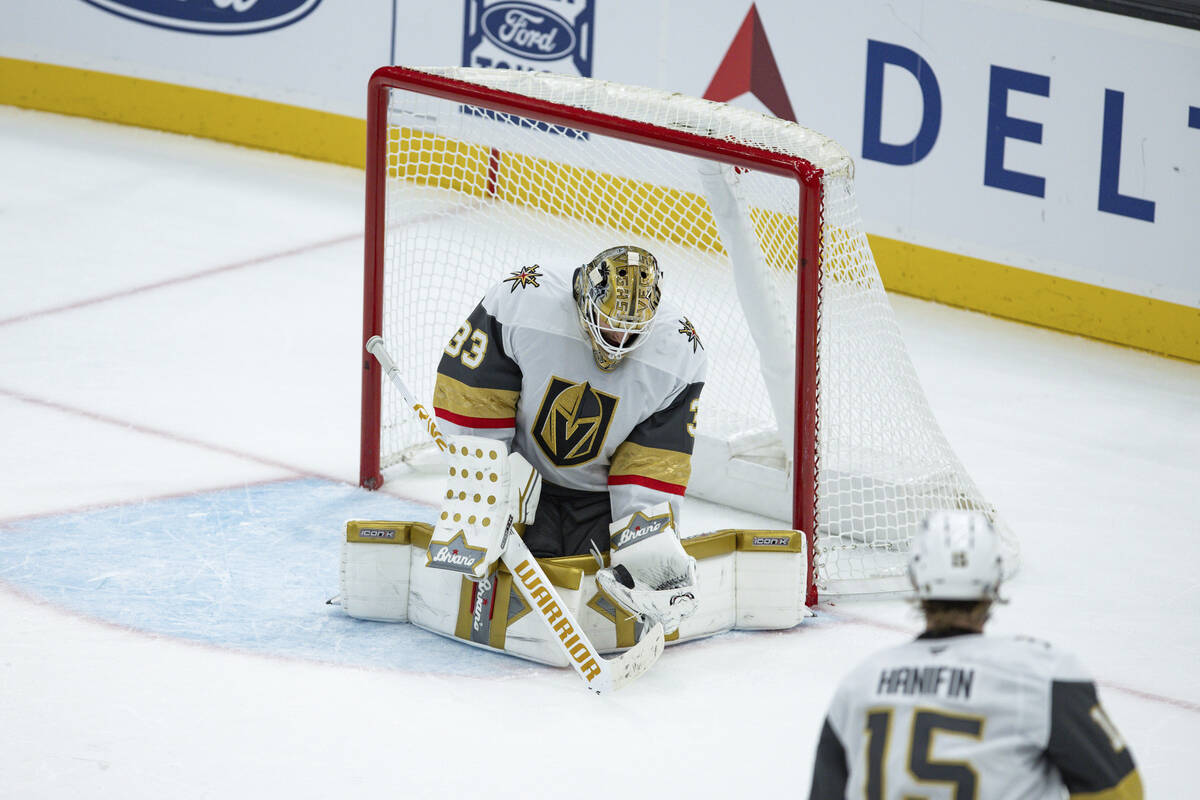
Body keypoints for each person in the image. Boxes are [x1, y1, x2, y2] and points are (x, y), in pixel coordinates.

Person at [431, 245, 706, 627]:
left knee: (595, 585)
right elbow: (474, 393)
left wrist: (646, 545)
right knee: (505, 559)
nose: (619, 338)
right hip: (524, 478)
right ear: (585, 296)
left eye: (632, 331)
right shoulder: (523, 302)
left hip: (597, 495)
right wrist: (490, 478)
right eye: (610, 323)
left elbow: (653, 461)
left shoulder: (678, 353)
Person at [807, 510, 1143, 800]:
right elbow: (1121, 791)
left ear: (916, 578)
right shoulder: (1041, 676)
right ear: (995, 582)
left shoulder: (861, 684)